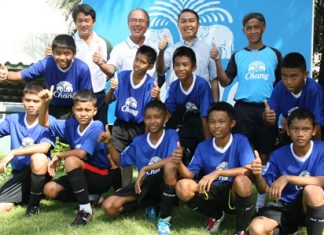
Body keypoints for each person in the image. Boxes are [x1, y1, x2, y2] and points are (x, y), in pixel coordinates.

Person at [210, 12, 282, 210]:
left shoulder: (274, 54)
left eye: (256, 27)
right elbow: (225, 81)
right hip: (242, 109)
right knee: (241, 152)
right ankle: (237, 194)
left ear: (264, 28)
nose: (252, 31)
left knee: (264, 154)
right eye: (248, 28)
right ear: (243, 31)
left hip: (266, 110)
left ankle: (260, 200)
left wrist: (277, 111)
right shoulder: (238, 55)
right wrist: (217, 61)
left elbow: (281, 85)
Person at [172, 102, 254, 234]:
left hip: (232, 192)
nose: (216, 126)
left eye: (221, 121)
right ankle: (215, 215)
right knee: (182, 186)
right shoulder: (203, 146)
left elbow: (248, 170)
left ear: (232, 123)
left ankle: (241, 230)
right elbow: (190, 175)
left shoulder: (240, 140)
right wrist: (179, 163)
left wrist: (218, 172)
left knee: (243, 181)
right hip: (210, 190)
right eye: (212, 122)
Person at [100, 100, 179, 235]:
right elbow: (120, 161)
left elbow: (174, 159)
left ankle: (164, 219)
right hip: (144, 184)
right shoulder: (138, 141)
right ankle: (150, 205)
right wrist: (109, 143)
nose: (152, 121)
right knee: (109, 207)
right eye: (148, 117)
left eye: (157, 117)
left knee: (170, 167)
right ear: (143, 119)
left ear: (165, 118)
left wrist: (146, 169)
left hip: (163, 183)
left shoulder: (171, 135)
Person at [38, 88, 112, 226]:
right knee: (49, 190)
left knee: (71, 160)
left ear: (94, 111)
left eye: (87, 110)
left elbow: (81, 153)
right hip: (80, 173)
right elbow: (44, 122)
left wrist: (59, 154)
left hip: (100, 175)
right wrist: (45, 103)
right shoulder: (70, 124)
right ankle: (92, 197)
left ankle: (85, 211)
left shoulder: (97, 125)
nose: (83, 113)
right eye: (79, 109)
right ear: (73, 110)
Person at [249, 108, 324, 235]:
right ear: (288, 130)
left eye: (305, 129)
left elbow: (320, 181)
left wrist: (287, 178)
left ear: (314, 131)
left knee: (312, 190)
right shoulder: (278, 154)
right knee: (256, 229)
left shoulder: (321, 149)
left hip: (310, 206)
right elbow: (264, 189)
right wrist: (257, 175)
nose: (300, 134)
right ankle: (290, 229)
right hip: (284, 205)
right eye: (295, 129)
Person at [45, 4, 112, 124]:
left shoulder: (104, 43)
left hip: (98, 97)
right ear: (75, 22)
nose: (83, 24)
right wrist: (49, 56)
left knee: (98, 135)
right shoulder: (68, 43)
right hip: (75, 99)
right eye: (80, 21)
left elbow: (111, 70)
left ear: (94, 22)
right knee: (72, 136)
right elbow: (57, 65)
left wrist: (101, 72)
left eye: (87, 21)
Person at [104, 45, 159, 187]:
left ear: (150, 66)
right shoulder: (122, 76)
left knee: (142, 159)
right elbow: (107, 100)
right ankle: (124, 188)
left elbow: (153, 111)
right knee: (117, 158)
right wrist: (112, 89)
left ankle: (143, 189)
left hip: (139, 128)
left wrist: (157, 97)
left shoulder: (150, 84)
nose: (137, 64)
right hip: (120, 125)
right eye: (137, 59)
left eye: (143, 62)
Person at [0, 34, 92, 119]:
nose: (62, 58)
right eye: (58, 53)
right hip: (52, 107)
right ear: (52, 53)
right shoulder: (46, 63)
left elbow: (86, 98)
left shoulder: (82, 69)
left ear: (74, 53)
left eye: (67, 53)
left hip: (74, 109)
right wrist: (6, 74)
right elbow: (20, 75)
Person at [0, 82, 54, 215]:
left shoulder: (48, 121)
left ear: (43, 101)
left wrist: (14, 152)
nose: (31, 104)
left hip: (40, 172)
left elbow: (44, 147)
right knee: (2, 207)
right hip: (19, 173)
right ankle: (28, 196)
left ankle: (33, 207)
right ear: (22, 100)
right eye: (27, 100)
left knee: (39, 157)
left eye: (36, 101)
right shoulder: (13, 120)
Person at [156, 8, 219, 101]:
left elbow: (213, 80)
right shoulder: (171, 49)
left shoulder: (209, 49)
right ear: (178, 25)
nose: (188, 24)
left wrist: (215, 106)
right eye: (183, 21)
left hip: (200, 102)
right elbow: (160, 70)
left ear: (198, 25)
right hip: (176, 103)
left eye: (191, 21)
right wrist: (161, 52)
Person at [165, 46, 213, 164]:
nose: (180, 68)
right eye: (177, 65)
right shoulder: (174, 86)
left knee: (202, 155)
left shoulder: (202, 85)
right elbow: (168, 114)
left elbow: (205, 116)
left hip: (202, 126)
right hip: (185, 126)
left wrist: (208, 144)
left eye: (185, 65)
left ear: (194, 67)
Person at [263, 52, 324, 143]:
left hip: (316, 132)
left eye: (294, 76)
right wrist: (267, 117)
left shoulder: (314, 90)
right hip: (292, 131)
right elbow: (271, 121)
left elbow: (317, 126)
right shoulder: (279, 88)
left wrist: (318, 153)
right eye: (284, 76)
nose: (289, 81)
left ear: (305, 74)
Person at [93, 8, 156, 78]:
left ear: (147, 24)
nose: (137, 24)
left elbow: (161, 71)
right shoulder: (119, 48)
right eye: (134, 20)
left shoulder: (155, 47)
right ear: (128, 23)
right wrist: (101, 64)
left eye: (141, 21)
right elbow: (111, 70)